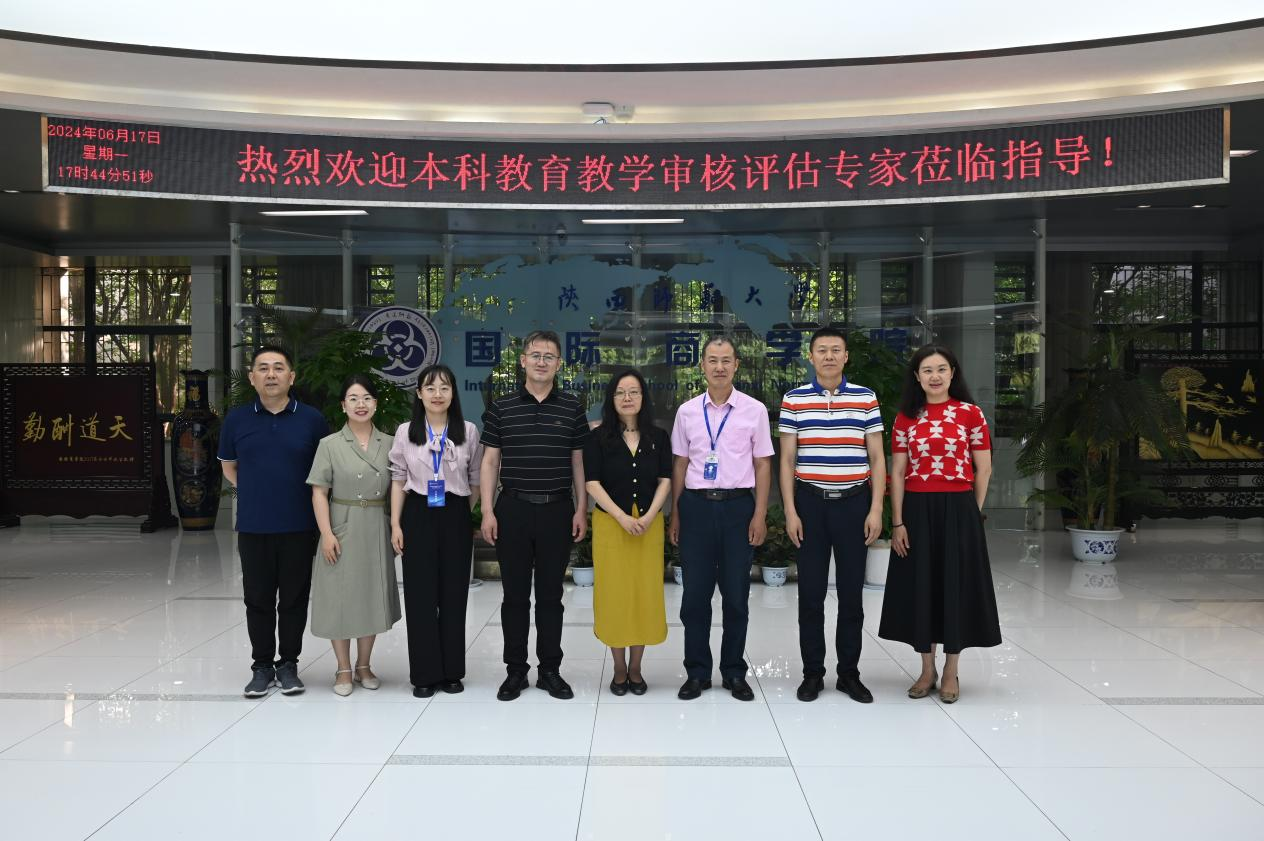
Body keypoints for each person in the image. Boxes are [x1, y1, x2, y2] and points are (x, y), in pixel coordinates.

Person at [878, 345, 1002, 704]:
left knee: (955, 586)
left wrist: (972, 512)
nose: (935, 376)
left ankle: (951, 669)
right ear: (917, 377)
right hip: (916, 509)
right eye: (927, 370)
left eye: (941, 369)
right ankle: (926, 669)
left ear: (952, 374)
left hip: (959, 508)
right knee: (922, 586)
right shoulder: (906, 418)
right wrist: (897, 522)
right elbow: (897, 473)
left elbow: (984, 469)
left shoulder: (970, 414)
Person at [480, 330, 590, 701]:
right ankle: (515, 671)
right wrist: (487, 510)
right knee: (514, 596)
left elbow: (578, 462)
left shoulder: (572, 407)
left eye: (549, 356)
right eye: (536, 355)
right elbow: (490, 461)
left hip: (558, 510)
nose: (542, 362)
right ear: (523, 360)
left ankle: (550, 670)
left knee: (550, 596)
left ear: (559, 364)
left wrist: (581, 508)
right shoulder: (502, 406)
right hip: (512, 509)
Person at [778, 327, 886, 703]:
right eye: (821, 350)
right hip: (810, 504)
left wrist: (876, 508)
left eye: (835, 350)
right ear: (810, 357)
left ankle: (848, 674)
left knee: (852, 596)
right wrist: (790, 511)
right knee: (810, 595)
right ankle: (812, 673)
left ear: (846, 356)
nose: (828, 356)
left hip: (855, 504)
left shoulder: (865, 397)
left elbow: (877, 457)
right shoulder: (794, 399)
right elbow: (787, 459)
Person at [218, 345, 328, 698]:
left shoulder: (312, 420)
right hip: (254, 525)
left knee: (294, 599)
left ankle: (289, 664)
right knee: (258, 599)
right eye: (263, 368)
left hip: (299, 525)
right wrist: (255, 489)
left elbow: (323, 471)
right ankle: (262, 666)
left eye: (278, 368)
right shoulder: (236, 420)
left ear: (291, 377)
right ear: (251, 378)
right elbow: (229, 467)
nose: (271, 374)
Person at [669, 335, 774, 701]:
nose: (719, 367)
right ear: (702, 365)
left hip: (737, 508)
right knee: (694, 597)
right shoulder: (686, 412)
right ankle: (697, 673)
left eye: (726, 360)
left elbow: (763, 465)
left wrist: (759, 514)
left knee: (736, 596)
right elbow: (680, 464)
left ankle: (733, 672)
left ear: (736, 365)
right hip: (696, 507)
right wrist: (675, 514)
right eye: (712, 360)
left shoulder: (754, 410)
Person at [389, 364, 482, 698]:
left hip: (455, 513)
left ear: (453, 393)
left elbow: (475, 479)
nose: (437, 394)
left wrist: (463, 512)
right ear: (419, 394)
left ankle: (452, 671)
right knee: (420, 596)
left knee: (454, 594)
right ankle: (425, 674)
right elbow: (398, 478)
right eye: (430, 388)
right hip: (417, 513)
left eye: (444, 388)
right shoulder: (405, 431)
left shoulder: (468, 430)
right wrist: (395, 523)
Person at [307, 374, 401, 696]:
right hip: (341, 524)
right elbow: (319, 492)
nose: (361, 404)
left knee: (370, 594)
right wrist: (326, 533)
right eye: (353, 399)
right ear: (343, 405)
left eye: (367, 398)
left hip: (375, 524)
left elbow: (399, 486)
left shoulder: (390, 443)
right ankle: (343, 667)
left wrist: (395, 525)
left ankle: (364, 665)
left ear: (376, 404)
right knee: (340, 596)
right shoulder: (330, 444)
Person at [584, 369, 671, 696]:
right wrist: (621, 517)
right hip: (611, 525)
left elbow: (666, 479)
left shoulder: (658, 436)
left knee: (643, 595)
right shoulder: (597, 437)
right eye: (620, 392)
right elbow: (592, 483)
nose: (627, 398)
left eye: (634, 391)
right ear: (611, 399)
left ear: (643, 397)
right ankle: (619, 668)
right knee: (615, 595)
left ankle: (636, 668)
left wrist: (649, 516)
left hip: (649, 526)